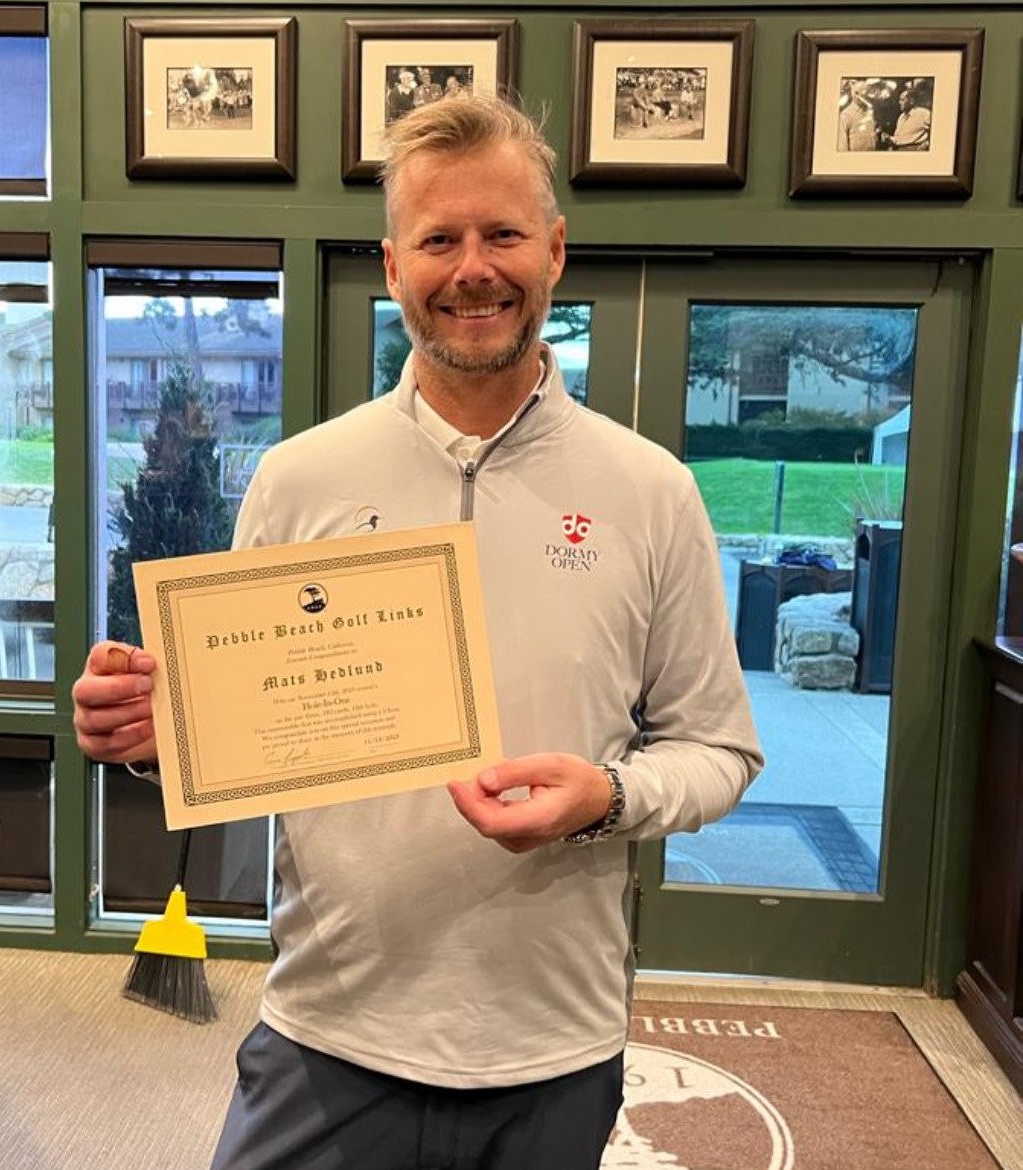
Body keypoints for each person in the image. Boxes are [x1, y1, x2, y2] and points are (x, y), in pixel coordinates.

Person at [72, 94, 763, 1170]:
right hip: (328, 1027)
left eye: (502, 234)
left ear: (556, 250)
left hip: (551, 1044)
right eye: (440, 239)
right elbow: (252, 727)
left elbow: (719, 749)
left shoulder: (651, 492)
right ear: (395, 265)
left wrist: (611, 798)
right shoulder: (300, 479)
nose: (472, 268)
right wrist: (156, 731)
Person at [837, 78, 877, 152]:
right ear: (854, 93)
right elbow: (842, 147)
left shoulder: (870, 112)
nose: (859, 96)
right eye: (857, 93)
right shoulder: (845, 115)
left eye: (866, 93)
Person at [887, 85, 931, 151]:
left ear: (911, 101)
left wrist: (926, 145)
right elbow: (898, 138)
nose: (899, 102)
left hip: (914, 151)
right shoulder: (901, 117)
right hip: (899, 150)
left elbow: (937, 133)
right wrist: (888, 138)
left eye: (902, 100)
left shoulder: (924, 113)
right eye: (899, 100)